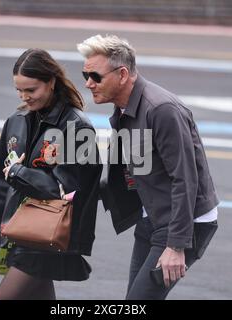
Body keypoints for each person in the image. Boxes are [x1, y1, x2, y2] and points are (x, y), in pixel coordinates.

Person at [77, 35, 219, 300]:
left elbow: (185, 179)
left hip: (184, 221)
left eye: (95, 76)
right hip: (153, 215)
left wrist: (177, 246)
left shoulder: (161, 109)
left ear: (122, 74)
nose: (88, 83)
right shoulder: (124, 108)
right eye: (85, 74)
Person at [0, 48, 102, 300]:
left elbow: (66, 190)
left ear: (51, 82)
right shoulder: (16, 120)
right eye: (19, 90)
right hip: (21, 232)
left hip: (50, 236)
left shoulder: (78, 127)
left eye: (31, 90)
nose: (25, 97)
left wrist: (18, 172)